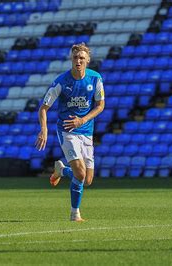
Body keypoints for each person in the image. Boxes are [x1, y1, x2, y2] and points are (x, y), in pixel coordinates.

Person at [35, 43, 105, 222]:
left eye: (82, 58)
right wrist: (44, 129)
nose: (78, 61)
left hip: (86, 131)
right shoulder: (61, 81)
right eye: (75, 58)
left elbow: (100, 105)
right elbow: (43, 108)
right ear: (71, 60)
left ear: (88, 60)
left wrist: (83, 120)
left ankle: (62, 170)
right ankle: (75, 214)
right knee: (80, 174)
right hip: (67, 132)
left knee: (88, 180)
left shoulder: (95, 79)